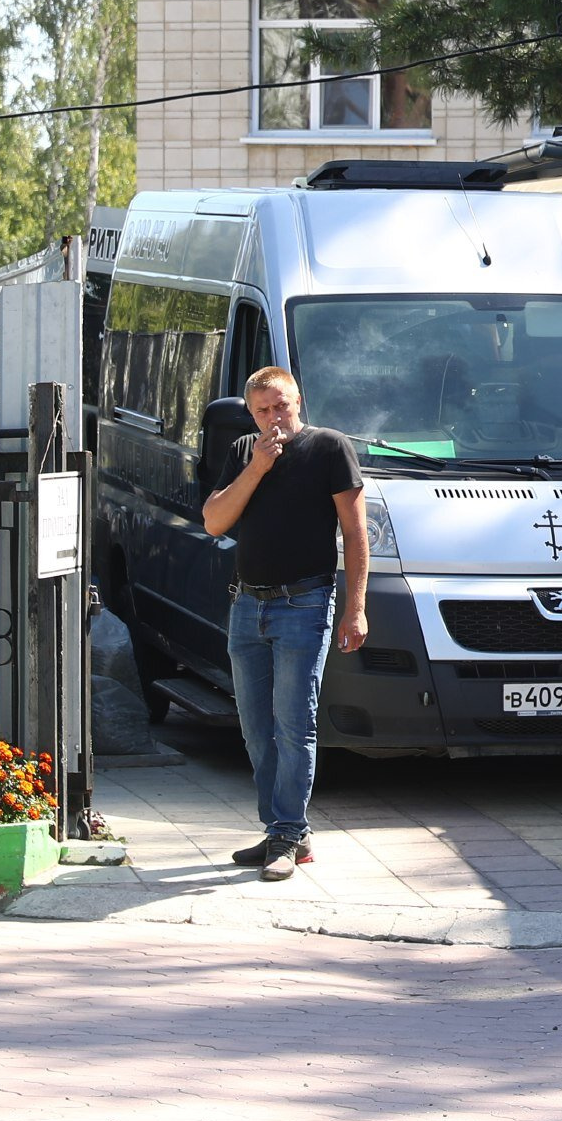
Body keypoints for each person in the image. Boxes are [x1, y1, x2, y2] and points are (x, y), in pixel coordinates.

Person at [201, 364, 370, 880]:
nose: (274, 418)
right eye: (262, 410)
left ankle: (286, 835)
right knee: (255, 728)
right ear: (250, 415)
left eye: (282, 406)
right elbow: (214, 521)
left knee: (295, 723)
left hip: (306, 603)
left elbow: (356, 532)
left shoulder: (329, 448)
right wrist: (256, 467)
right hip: (247, 604)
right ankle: (283, 827)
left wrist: (356, 606)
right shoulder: (242, 453)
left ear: (299, 402)